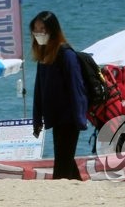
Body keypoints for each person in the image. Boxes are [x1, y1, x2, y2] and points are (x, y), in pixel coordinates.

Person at [30, 11, 87, 181]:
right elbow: (39, 89)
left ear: (52, 29)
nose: (39, 33)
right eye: (35, 29)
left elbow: (77, 88)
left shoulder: (66, 55)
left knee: (61, 166)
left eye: (43, 28)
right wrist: (37, 118)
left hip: (69, 118)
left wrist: (79, 119)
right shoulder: (44, 56)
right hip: (55, 118)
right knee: (66, 161)